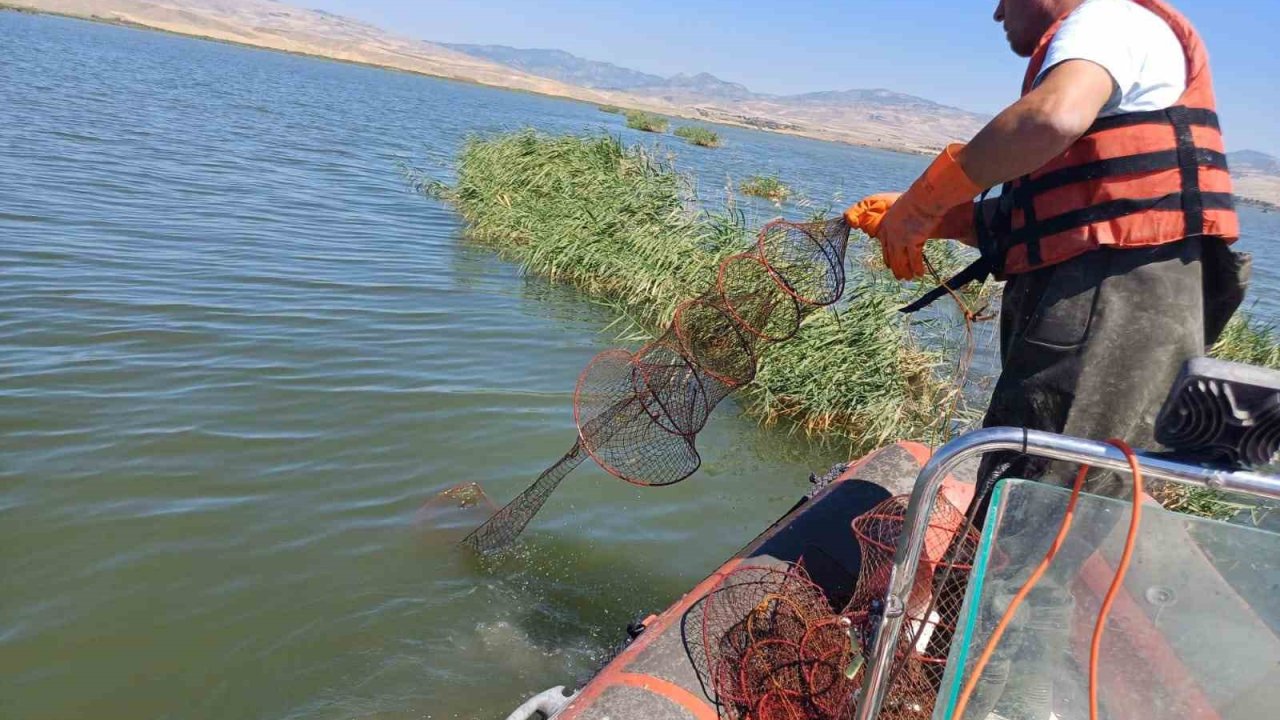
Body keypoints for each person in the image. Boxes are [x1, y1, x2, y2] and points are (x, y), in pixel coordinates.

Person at [847, 0, 1250, 517]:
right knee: (1037, 488)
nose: (996, 12)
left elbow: (1051, 116)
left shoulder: (1107, 18)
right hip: (1112, 298)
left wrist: (925, 202)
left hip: (1115, 304)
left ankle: (993, 599)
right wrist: (938, 220)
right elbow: (1066, 217)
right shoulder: (1113, 43)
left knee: (1037, 506)